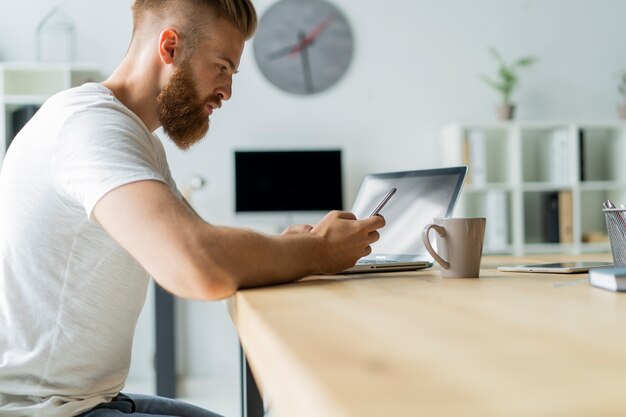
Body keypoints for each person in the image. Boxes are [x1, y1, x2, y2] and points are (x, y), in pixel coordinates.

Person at [0, 0, 385, 416]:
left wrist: (285, 247)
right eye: (221, 66)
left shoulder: (135, 138)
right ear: (170, 47)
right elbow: (197, 264)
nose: (228, 91)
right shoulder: (91, 127)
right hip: (42, 410)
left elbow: (204, 241)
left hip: (88, 401)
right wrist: (320, 251)